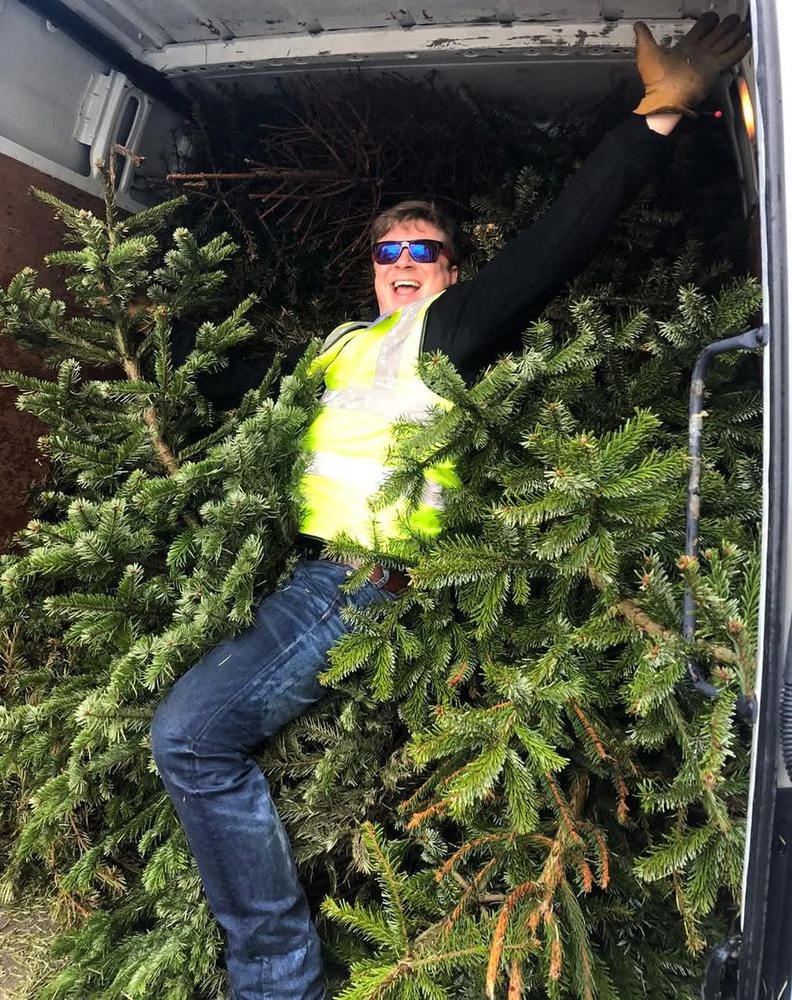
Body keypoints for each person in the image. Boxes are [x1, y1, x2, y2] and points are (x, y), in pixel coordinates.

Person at [151, 14, 752, 1000]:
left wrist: (653, 117)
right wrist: (154, 338)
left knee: (190, 735)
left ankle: (277, 980)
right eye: (387, 250)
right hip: (302, 578)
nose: (400, 263)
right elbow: (247, 390)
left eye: (422, 249)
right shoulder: (342, 345)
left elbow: (553, 249)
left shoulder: (448, 331)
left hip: (356, 592)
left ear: (452, 270)